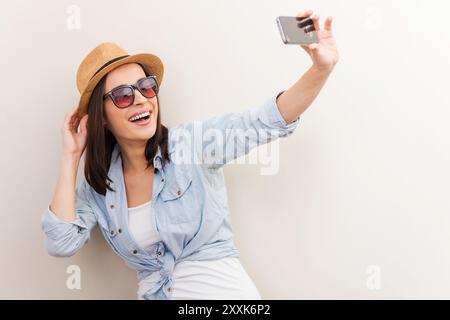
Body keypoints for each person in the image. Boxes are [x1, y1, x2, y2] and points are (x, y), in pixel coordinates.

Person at [41, 10, 339, 300]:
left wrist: (320, 69)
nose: (141, 100)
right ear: (101, 116)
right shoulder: (99, 189)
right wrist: (71, 156)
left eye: (146, 87)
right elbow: (61, 242)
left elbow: (263, 122)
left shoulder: (191, 144)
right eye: (122, 96)